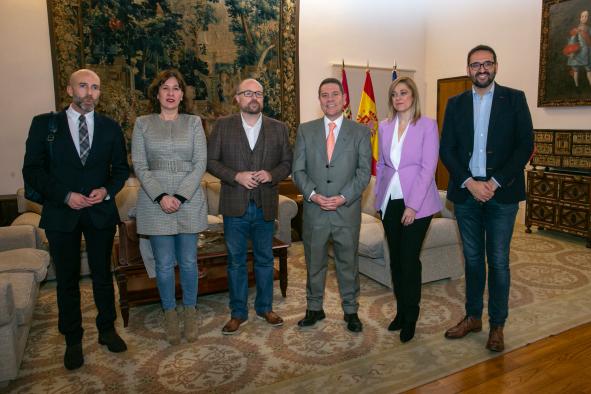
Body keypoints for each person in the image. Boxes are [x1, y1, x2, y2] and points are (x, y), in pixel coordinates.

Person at [22, 69, 129, 370]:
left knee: (102, 276)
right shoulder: (45, 125)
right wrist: (65, 196)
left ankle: (107, 330)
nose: (90, 93)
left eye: (95, 87)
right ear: (70, 90)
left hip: (100, 213)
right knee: (67, 281)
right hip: (61, 214)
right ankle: (72, 339)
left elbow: (121, 170)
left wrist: (107, 190)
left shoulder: (110, 128)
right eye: (83, 86)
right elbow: (32, 170)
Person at [440, 45, 534, 352]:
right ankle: (472, 317)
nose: (482, 69)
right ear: (468, 69)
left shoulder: (514, 99)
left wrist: (492, 182)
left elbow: (524, 146)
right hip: (466, 196)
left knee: (498, 262)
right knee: (472, 259)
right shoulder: (455, 104)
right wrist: (469, 183)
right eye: (475, 64)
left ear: (496, 66)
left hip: (502, 195)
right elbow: (447, 150)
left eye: (487, 63)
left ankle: (497, 325)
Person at [207, 78, 292, 335]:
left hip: (265, 205)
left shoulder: (279, 128)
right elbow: (210, 161)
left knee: (265, 260)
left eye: (258, 93)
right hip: (235, 206)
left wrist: (272, 174)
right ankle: (238, 313)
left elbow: (287, 163)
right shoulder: (223, 126)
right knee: (236, 262)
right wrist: (236, 176)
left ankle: (265, 308)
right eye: (247, 93)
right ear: (237, 98)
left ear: (263, 98)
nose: (254, 97)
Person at [131, 69, 208, 345]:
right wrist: (161, 195)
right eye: (165, 88)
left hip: (189, 201)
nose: (171, 93)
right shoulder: (142, 124)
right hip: (155, 203)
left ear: (182, 94)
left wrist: (181, 196)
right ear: (157, 92)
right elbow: (139, 165)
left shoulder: (194, 123)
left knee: (188, 262)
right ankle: (170, 313)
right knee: (163, 264)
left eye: (176, 88)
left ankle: (189, 311)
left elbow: (200, 163)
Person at [292, 78, 371, 333]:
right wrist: (313, 195)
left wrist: (343, 197)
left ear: (344, 98)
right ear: (319, 100)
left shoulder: (359, 131)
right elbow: (298, 170)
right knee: (314, 262)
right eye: (324, 95)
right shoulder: (306, 130)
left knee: (348, 263)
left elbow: (363, 172)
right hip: (315, 210)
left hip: (346, 211)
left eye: (335, 94)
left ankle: (351, 310)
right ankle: (314, 308)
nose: (329, 99)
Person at [374, 77, 442, 343]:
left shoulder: (427, 125)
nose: (398, 98)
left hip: (419, 203)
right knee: (396, 260)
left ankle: (411, 317)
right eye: (394, 94)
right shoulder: (384, 125)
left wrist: (412, 205)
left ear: (413, 96)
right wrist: (379, 201)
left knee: (409, 260)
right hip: (390, 200)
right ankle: (400, 312)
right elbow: (381, 166)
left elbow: (428, 168)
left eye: (403, 93)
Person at [564, 10, 591, 88]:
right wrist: (571, 52)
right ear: (580, 18)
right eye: (583, 16)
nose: (585, 18)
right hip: (579, 52)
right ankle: (576, 86)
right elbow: (572, 41)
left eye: (586, 16)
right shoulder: (576, 30)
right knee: (575, 70)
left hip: (588, 52)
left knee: (589, 70)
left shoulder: (589, 29)